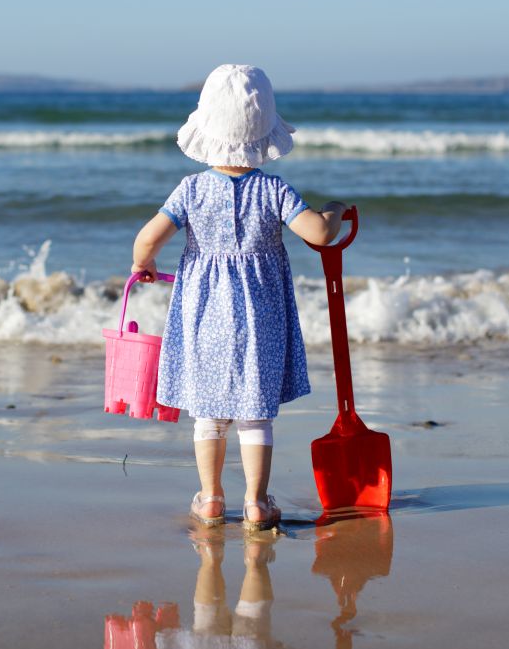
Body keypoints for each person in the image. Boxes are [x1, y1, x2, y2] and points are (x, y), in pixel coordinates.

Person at [132, 64, 347, 530]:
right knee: (254, 410)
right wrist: (334, 211)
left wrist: (143, 264)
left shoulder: (190, 190)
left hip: (203, 311)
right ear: (265, 130)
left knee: (208, 411)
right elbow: (320, 234)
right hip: (261, 313)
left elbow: (148, 238)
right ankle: (256, 502)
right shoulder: (274, 189)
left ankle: (210, 498)